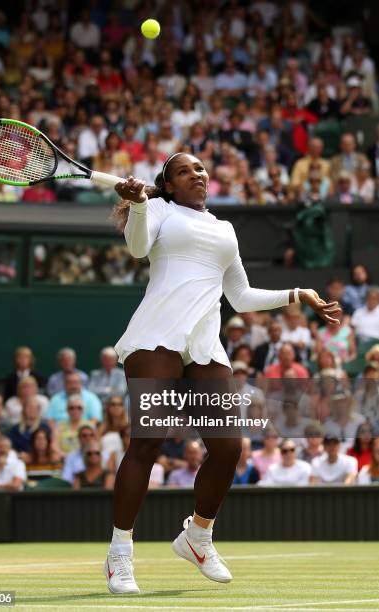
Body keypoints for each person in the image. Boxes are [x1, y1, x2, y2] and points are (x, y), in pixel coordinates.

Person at [104, 152, 340, 594]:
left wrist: (298, 293)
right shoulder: (156, 208)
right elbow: (137, 248)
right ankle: (120, 553)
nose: (196, 174)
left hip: (205, 344)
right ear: (168, 185)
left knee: (229, 447)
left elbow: (242, 295)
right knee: (147, 444)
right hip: (158, 335)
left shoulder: (224, 229)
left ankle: (197, 535)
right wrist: (137, 203)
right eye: (183, 171)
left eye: (199, 169)